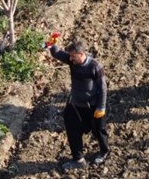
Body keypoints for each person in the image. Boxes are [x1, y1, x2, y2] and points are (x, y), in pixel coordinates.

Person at [47, 39, 110, 170]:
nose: (70, 59)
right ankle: (78, 159)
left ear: (81, 54)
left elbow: (103, 88)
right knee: (72, 130)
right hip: (75, 105)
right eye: (70, 56)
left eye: (73, 56)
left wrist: (101, 107)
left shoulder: (95, 66)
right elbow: (58, 53)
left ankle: (104, 151)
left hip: (92, 107)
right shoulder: (72, 61)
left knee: (99, 130)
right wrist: (51, 45)